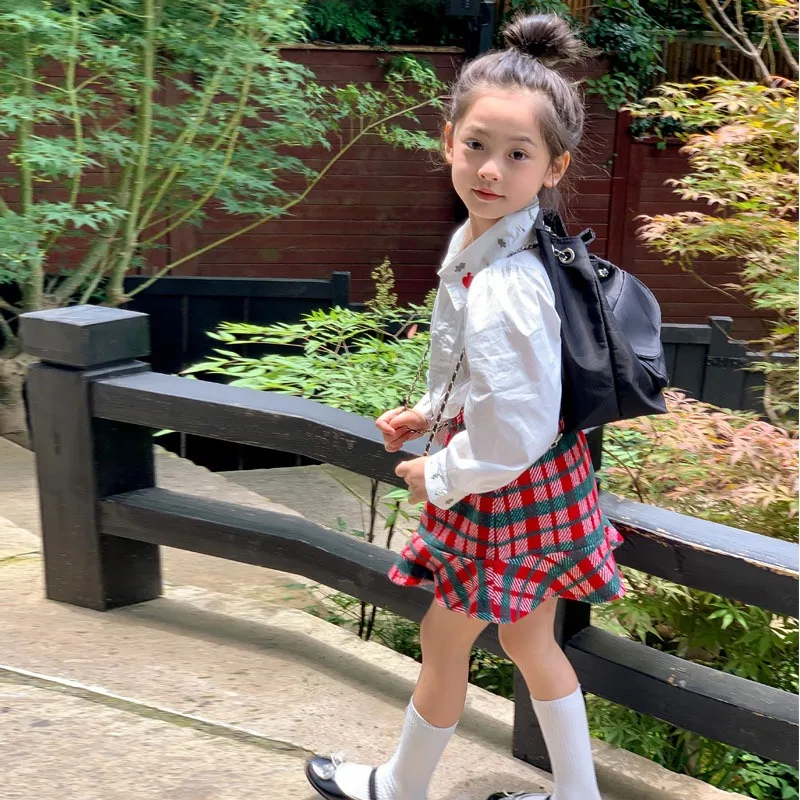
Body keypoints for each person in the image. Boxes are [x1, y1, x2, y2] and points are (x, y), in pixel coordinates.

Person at [306, 13, 625, 800]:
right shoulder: (502, 243)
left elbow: (513, 428)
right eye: (477, 144)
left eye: (518, 154)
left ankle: (398, 788)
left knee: (445, 643)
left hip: (500, 487)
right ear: (448, 140)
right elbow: (488, 377)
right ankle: (577, 796)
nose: (490, 169)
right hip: (544, 483)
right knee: (529, 641)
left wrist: (439, 474)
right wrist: (430, 411)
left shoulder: (507, 281)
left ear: (553, 166)